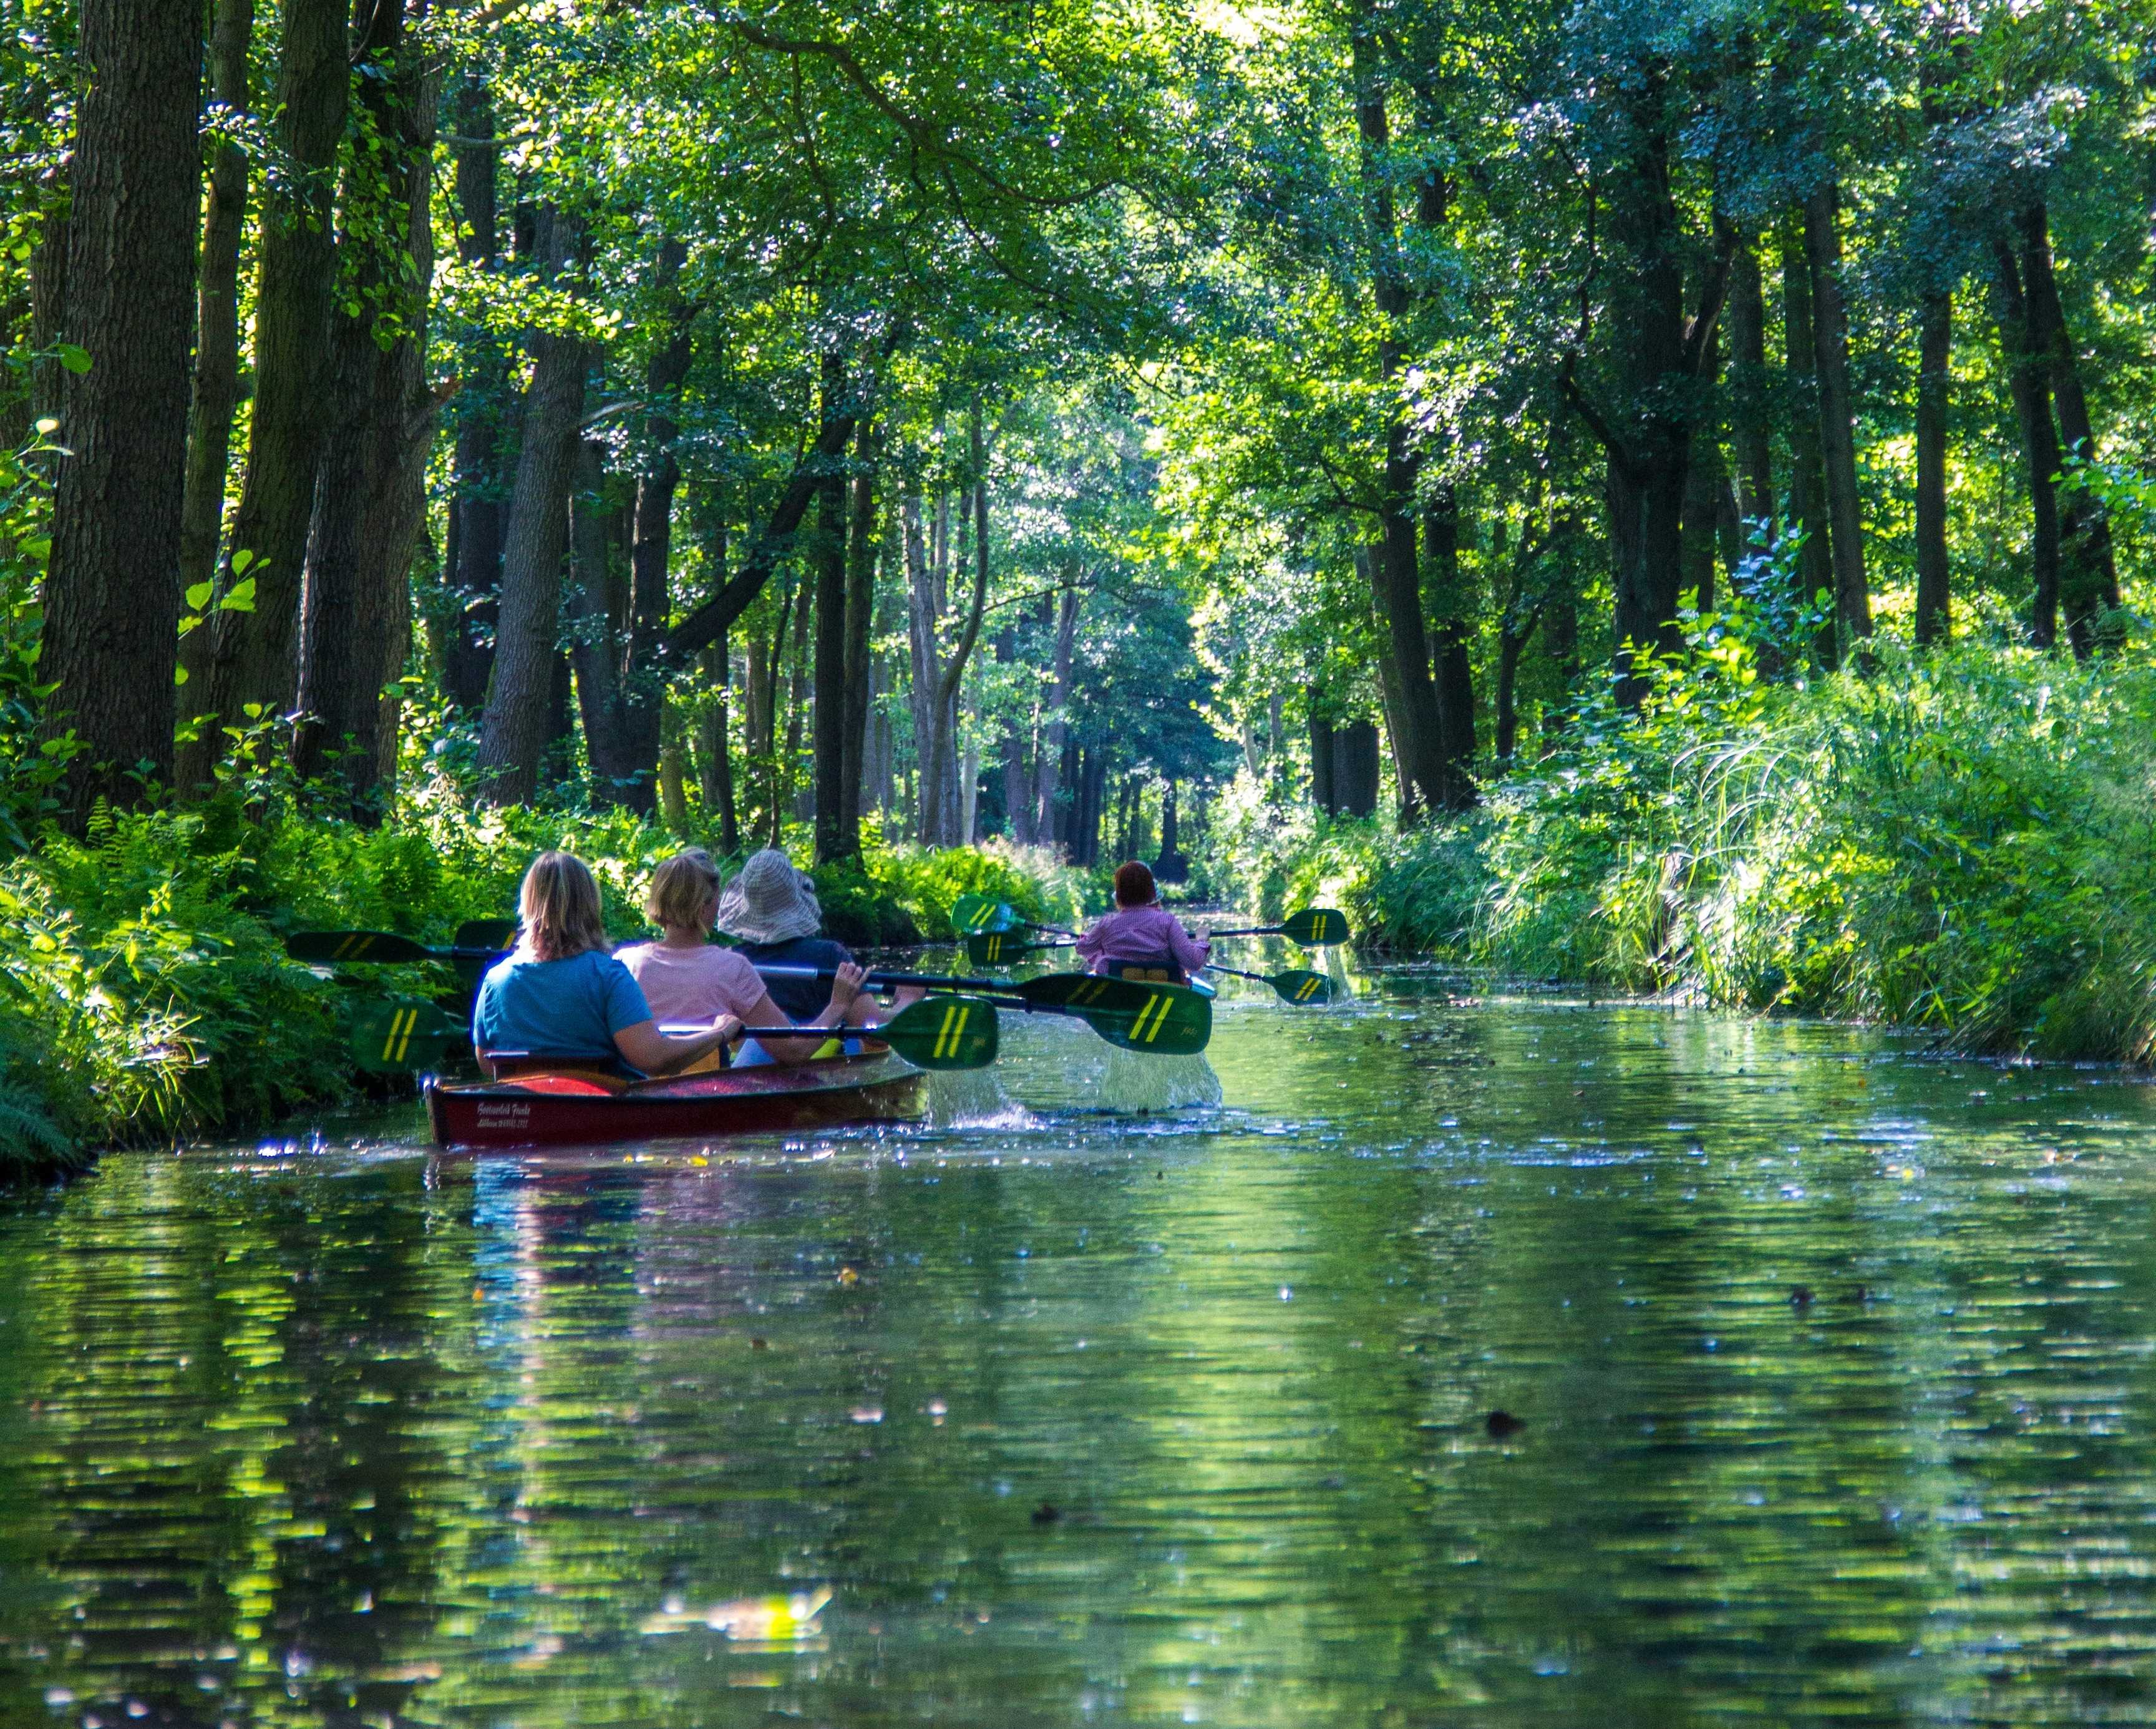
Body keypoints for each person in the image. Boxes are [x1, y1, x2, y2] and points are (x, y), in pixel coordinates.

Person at [472, 851, 741, 1079]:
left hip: (525, 1109)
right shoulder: (607, 976)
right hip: (604, 1113)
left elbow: (487, 1065)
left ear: (528, 905)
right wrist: (718, 1034)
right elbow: (653, 1059)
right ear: (590, 905)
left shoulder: (496, 980)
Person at [614, 849, 870, 1066]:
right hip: (709, 1098)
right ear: (705, 907)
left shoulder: (624, 963)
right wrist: (837, 1006)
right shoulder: (732, 968)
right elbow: (793, 1051)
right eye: (717, 898)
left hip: (642, 1093)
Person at [717, 847, 923, 1023]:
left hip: (746, 1056)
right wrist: (908, 1000)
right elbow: (872, 1028)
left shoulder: (729, 961)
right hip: (814, 1056)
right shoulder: (829, 956)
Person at [1076, 860, 1210, 985]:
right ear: (1152, 892)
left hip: (1118, 989)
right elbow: (1193, 962)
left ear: (1119, 894)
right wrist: (1202, 941)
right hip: (1164, 988)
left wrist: (1086, 938)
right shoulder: (1167, 921)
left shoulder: (1106, 924)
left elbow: (1083, 949)